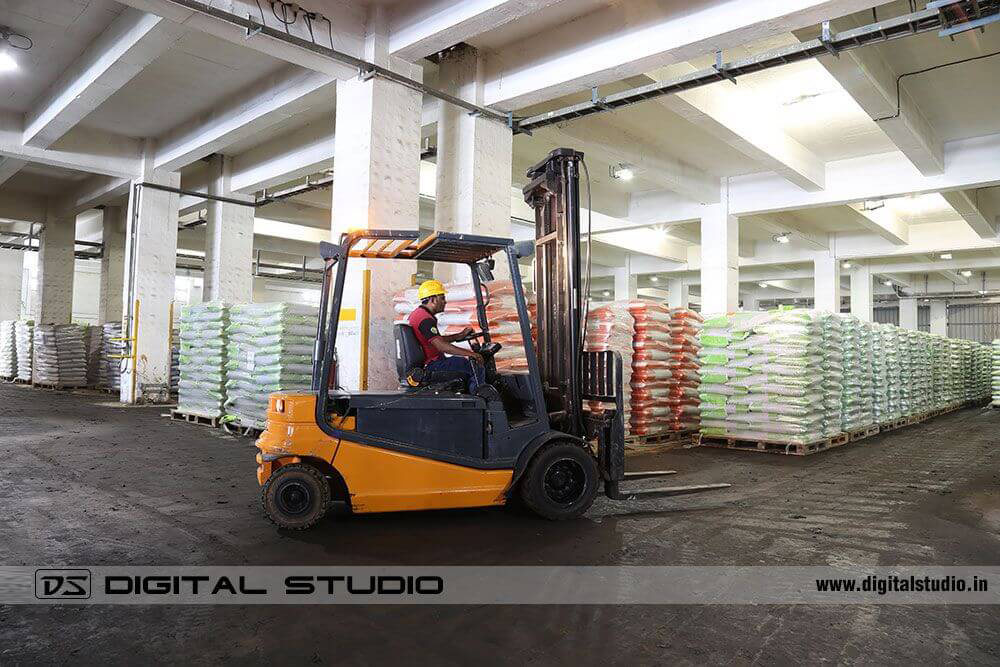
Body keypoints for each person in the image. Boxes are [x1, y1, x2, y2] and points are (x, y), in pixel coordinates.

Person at [407, 279, 486, 393]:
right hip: (433, 365)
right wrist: (472, 354)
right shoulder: (425, 320)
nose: (445, 302)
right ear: (433, 299)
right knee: (474, 366)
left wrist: (458, 336)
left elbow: (434, 340)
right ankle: (481, 398)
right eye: (442, 298)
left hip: (430, 363)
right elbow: (441, 346)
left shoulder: (418, 314)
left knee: (462, 362)